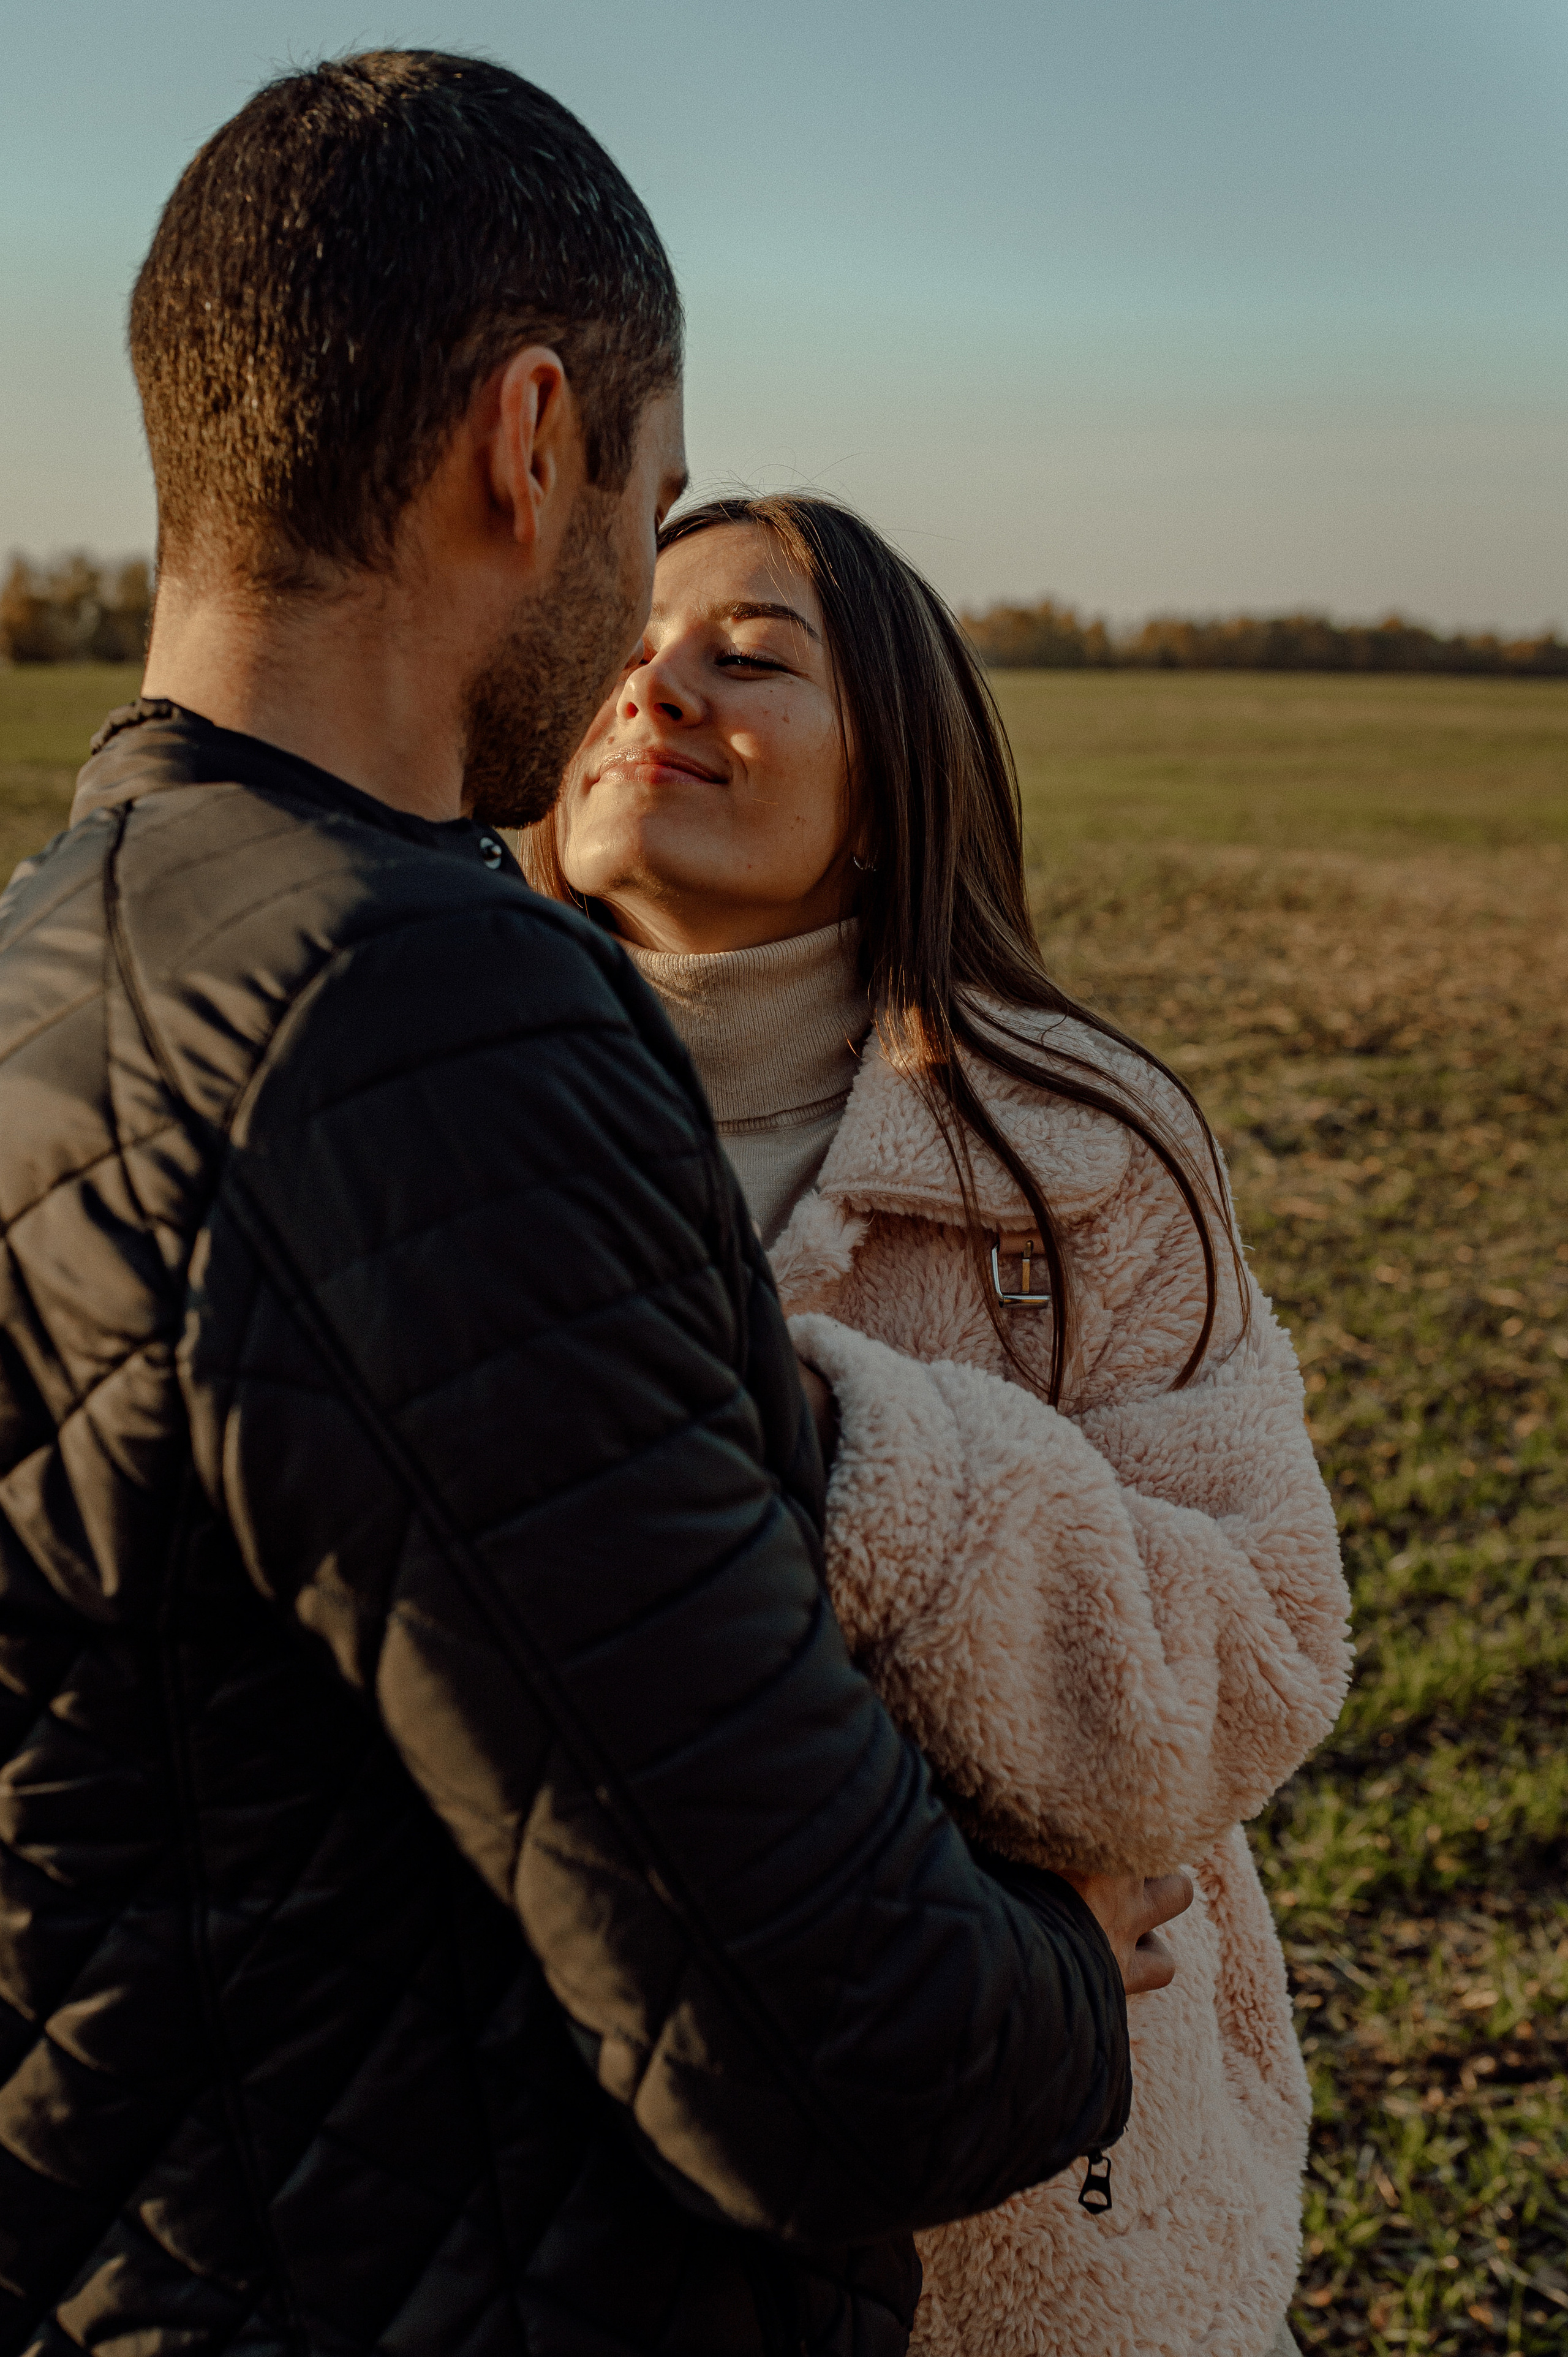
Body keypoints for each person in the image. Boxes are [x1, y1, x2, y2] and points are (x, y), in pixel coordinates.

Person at [0, 57, 1190, 2357]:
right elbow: (832, 2043)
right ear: (529, 440)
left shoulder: (60, 949)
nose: (648, 587)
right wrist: (1068, 1939)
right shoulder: (418, 1007)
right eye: (653, 497)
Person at [530, 493, 1355, 2357]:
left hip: (1029, 2224)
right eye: (618, 652)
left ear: (895, 783)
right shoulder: (434, 1117)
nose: (657, 687)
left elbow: (1251, 1657)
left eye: (748, 656)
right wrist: (955, 1868)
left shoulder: (1088, 1154)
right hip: (565, 2191)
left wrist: (839, 1442)